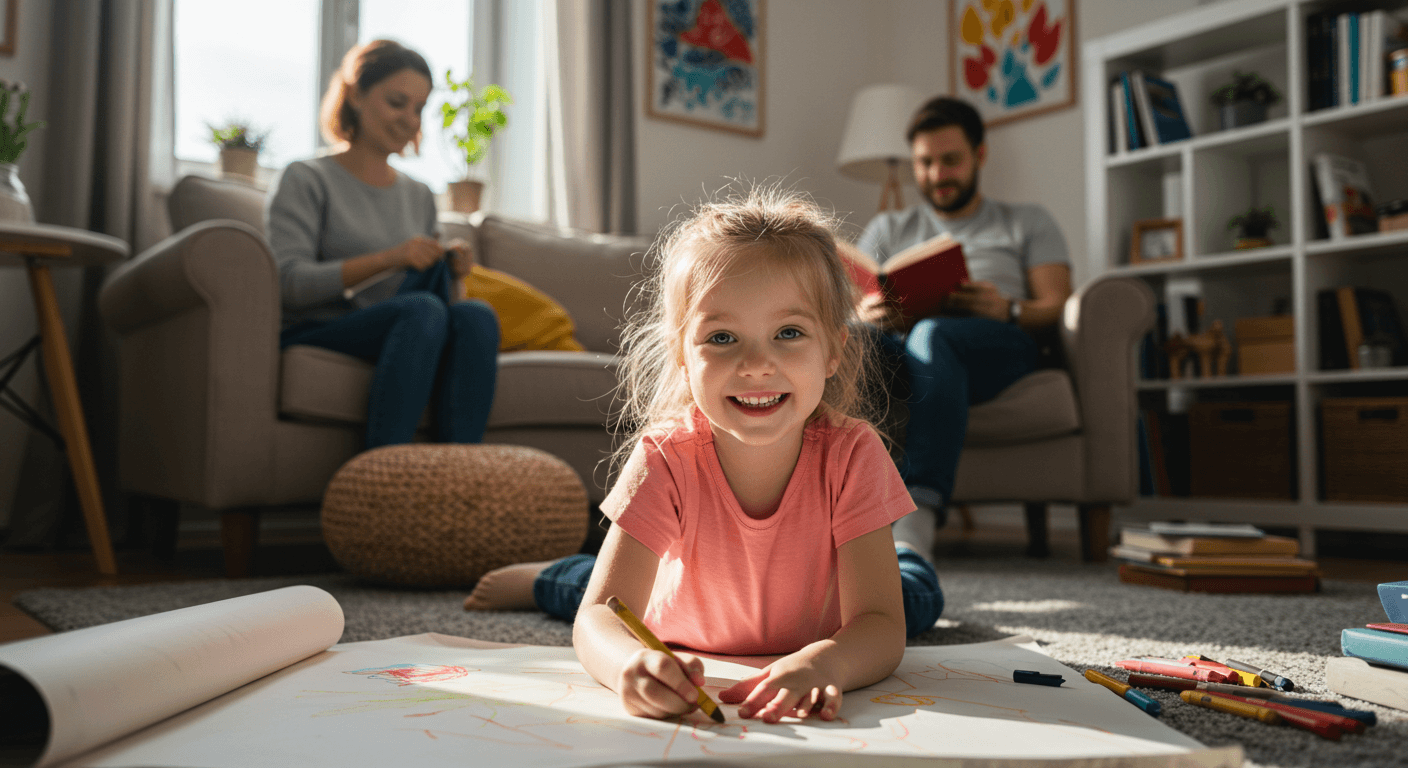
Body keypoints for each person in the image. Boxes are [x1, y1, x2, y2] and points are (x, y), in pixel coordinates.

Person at [465, 188, 944, 722]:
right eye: (721, 337)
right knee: (581, 587)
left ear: (832, 350)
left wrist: (824, 663)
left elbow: (880, 624)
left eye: (788, 333)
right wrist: (630, 665)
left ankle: (909, 551)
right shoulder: (665, 456)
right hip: (683, 613)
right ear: (681, 355)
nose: (757, 363)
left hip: (827, 616)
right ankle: (544, 576)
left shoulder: (855, 451)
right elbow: (600, 614)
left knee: (918, 599)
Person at [852, 96, 1073, 556]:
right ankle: (836, 516)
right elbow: (853, 303)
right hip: (904, 351)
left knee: (933, 334)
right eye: (925, 163)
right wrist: (865, 315)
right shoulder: (889, 227)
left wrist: (1007, 308)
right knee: (854, 339)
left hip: (999, 345)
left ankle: (920, 518)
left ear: (980, 154)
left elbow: (1056, 304)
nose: (936, 175)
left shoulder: (1026, 221)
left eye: (950, 160)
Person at [265, 39, 500, 449]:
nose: (410, 119)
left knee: (476, 315)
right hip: (321, 327)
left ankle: (461, 487)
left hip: (412, 323)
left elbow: (443, 306)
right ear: (355, 94)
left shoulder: (420, 194)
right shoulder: (305, 178)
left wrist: (456, 276)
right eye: (397, 102)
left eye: (419, 108)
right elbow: (289, 284)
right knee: (421, 310)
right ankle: (381, 487)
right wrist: (391, 258)